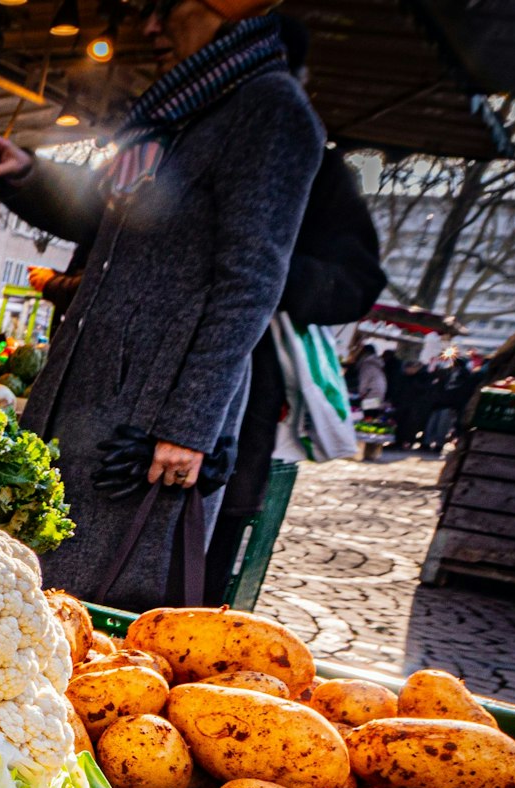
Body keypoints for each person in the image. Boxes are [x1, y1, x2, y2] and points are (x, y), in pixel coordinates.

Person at [0, 0, 323, 610]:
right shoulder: (182, 111)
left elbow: (252, 280)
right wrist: (30, 174)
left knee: (98, 597)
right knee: (37, 578)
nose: (151, 25)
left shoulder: (270, 110)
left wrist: (187, 428)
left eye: (171, 6)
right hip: (90, 391)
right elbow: (108, 219)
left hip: (148, 419)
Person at [204, 14, 386, 584]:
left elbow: (356, 283)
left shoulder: (316, 164)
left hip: (234, 406)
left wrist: (261, 270)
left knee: (197, 565)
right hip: (127, 397)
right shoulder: (185, 138)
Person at [395, 360, 434, 449]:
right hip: (404, 403)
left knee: (411, 424)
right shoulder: (404, 377)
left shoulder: (423, 376)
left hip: (416, 404)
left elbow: (424, 390)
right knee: (401, 422)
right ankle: (399, 441)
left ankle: (408, 441)